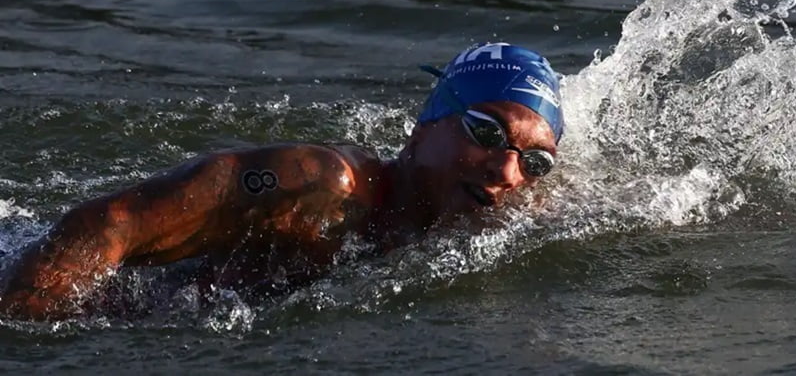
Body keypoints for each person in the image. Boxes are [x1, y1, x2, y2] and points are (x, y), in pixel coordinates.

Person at [0, 43, 563, 321]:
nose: (506, 171)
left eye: (534, 161)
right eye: (485, 132)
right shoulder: (321, 186)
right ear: (423, 128)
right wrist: (25, 332)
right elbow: (112, 225)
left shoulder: (507, 216)